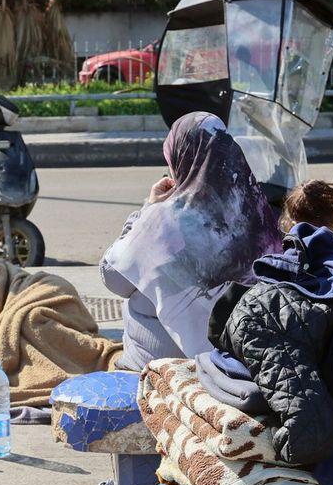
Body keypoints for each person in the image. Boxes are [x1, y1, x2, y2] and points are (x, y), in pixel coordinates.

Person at [100, 112, 284, 371]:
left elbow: (113, 278)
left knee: (140, 283)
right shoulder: (256, 213)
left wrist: (147, 210)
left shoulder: (161, 220)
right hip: (230, 365)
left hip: (157, 368)